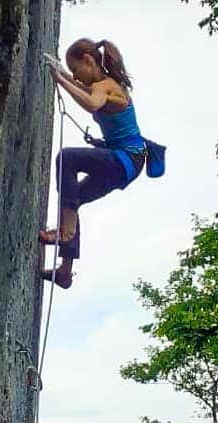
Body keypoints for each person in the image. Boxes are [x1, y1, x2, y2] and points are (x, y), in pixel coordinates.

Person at [40, 38, 146, 288]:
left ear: (89, 61)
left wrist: (62, 81)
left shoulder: (104, 85)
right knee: (73, 198)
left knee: (67, 158)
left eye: (77, 70)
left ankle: (65, 234)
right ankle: (64, 272)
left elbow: (92, 103)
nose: (77, 77)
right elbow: (87, 93)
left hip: (125, 159)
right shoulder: (104, 85)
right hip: (127, 161)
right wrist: (63, 74)